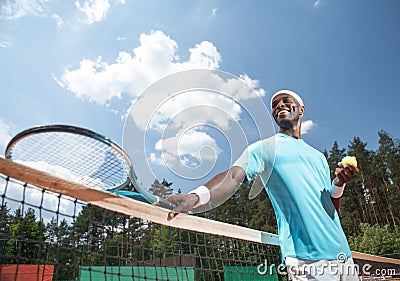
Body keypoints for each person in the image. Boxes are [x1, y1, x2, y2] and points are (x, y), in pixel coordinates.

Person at [166, 90, 359, 280]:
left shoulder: (319, 158)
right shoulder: (264, 149)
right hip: (305, 260)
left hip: (343, 254)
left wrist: (339, 183)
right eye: (274, 105)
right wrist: (196, 196)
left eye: (285, 101)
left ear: (301, 109)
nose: (279, 106)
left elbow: (331, 211)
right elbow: (233, 176)